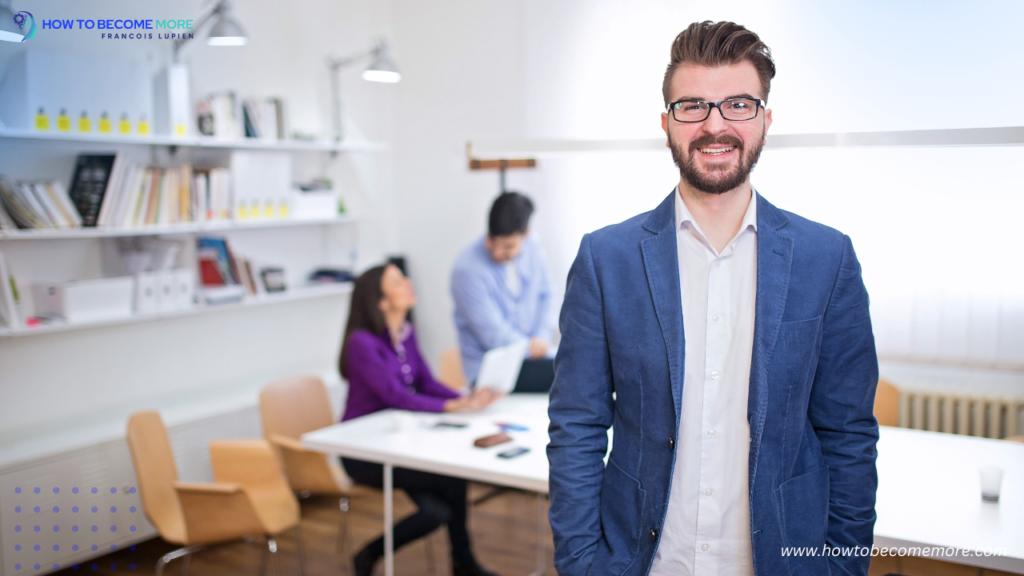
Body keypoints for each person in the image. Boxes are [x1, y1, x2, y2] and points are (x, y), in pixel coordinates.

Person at [547, 21, 879, 576]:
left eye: (739, 105)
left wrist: (843, 566)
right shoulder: (606, 260)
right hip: (643, 561)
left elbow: (848, 435)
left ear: (766, 120)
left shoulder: (828, 260)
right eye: (693, 106)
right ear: (667, 122)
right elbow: (576, 425)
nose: (715, 124)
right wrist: (580, 564)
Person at [339, 264, 501, 576]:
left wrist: (463, 399)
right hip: (363, 451)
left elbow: (426, 382)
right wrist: (452, 407)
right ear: (381, 301)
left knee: (436, 508)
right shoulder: (362, 343)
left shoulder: (406, 334)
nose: (408, 283)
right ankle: (461, 563)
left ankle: (457, 562)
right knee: (450, 481)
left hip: (400, 443)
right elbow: (395, 396)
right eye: (397, 281)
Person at [451, 191, 555, 387]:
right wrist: (533, 348)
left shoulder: (533, 247)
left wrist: (542, 337)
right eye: (493, 242)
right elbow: (493, 335)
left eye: (508, 246)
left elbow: (546, 294)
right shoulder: (467, 269)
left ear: (526, 234)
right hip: (490, 369)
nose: (498, 252)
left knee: (575, 367)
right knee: (568, 374)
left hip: (531, 357)